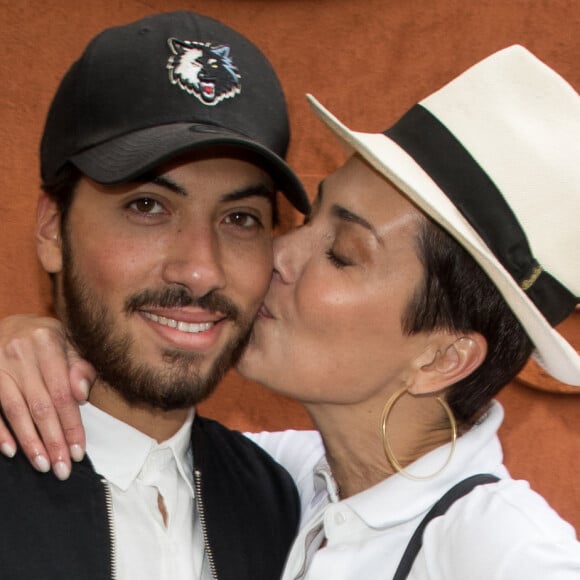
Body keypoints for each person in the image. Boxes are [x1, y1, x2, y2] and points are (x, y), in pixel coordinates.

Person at [2, 46, 580, 579]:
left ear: (442, 357)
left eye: (341, 254)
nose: (278, 254)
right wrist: (30, 340)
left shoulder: (507, 552)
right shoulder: (285, 479)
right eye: (308, 219)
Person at [0, 10, 313, 580]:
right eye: (147, 206)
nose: (199, 271)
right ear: (52, 230)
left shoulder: (282, 504)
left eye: (240, 218)